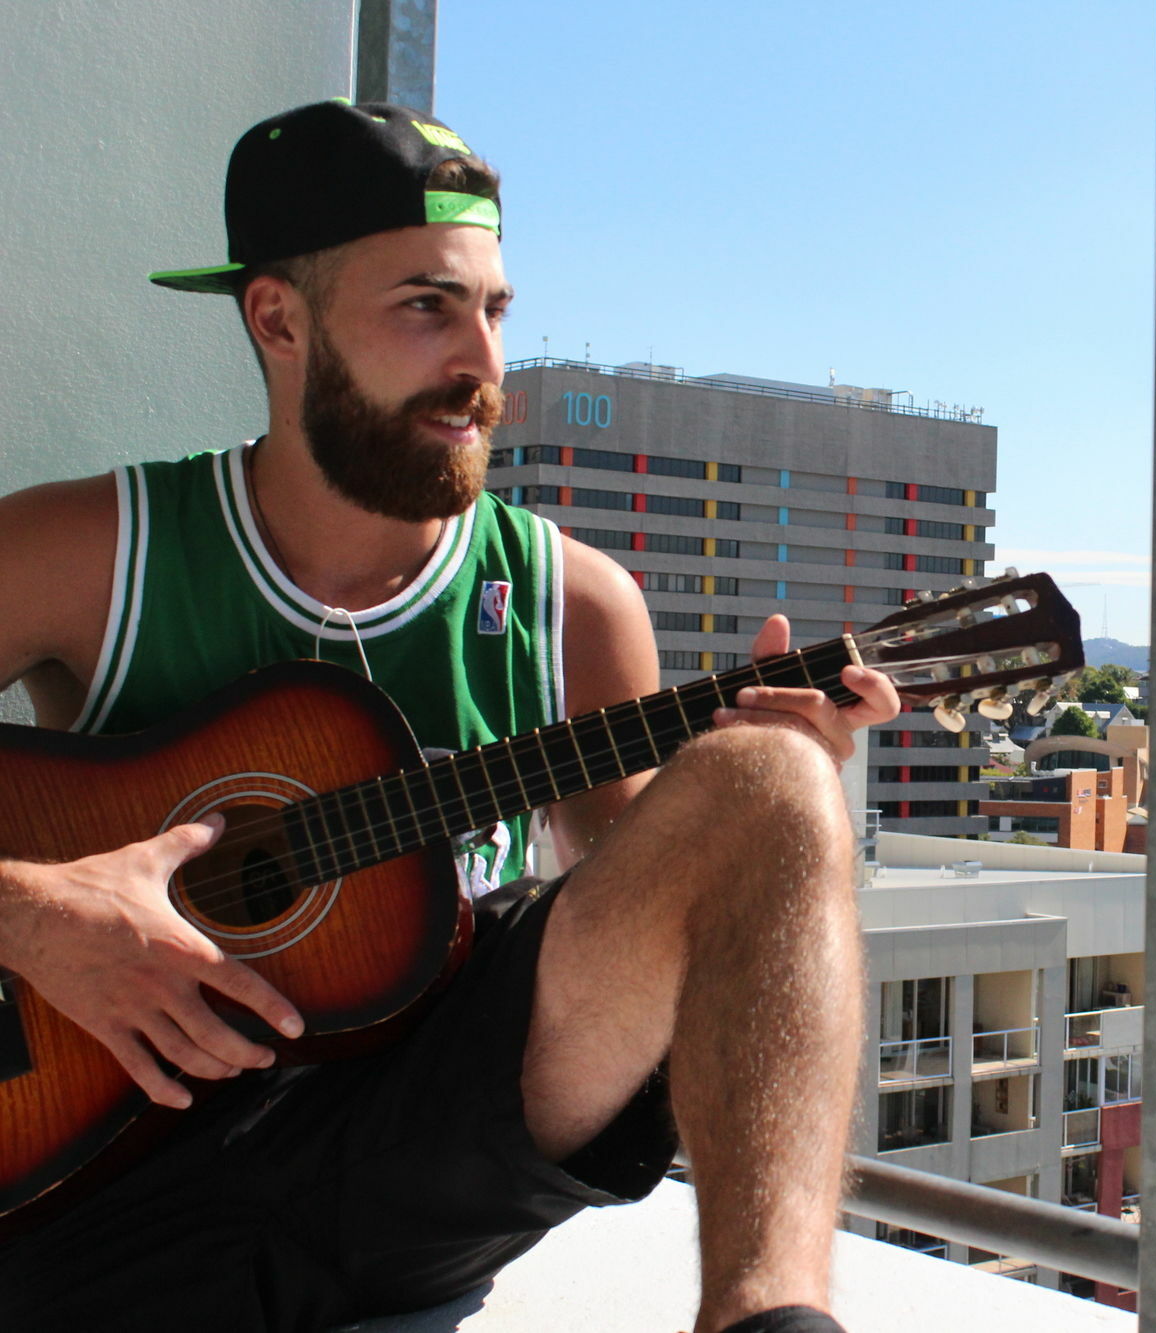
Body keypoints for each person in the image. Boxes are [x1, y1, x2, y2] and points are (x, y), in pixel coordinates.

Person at [0, 100, 901, 1332]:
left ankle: (772, 1315)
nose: (483, 363)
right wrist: (37, 912)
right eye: (427, 306)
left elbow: (646, 943)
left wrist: (762, 813)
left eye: (494, 310)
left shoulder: (574, 603)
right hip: (90, 1191)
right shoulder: (95, 552)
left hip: (413, 1177)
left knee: (770, 783)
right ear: (279, 318)